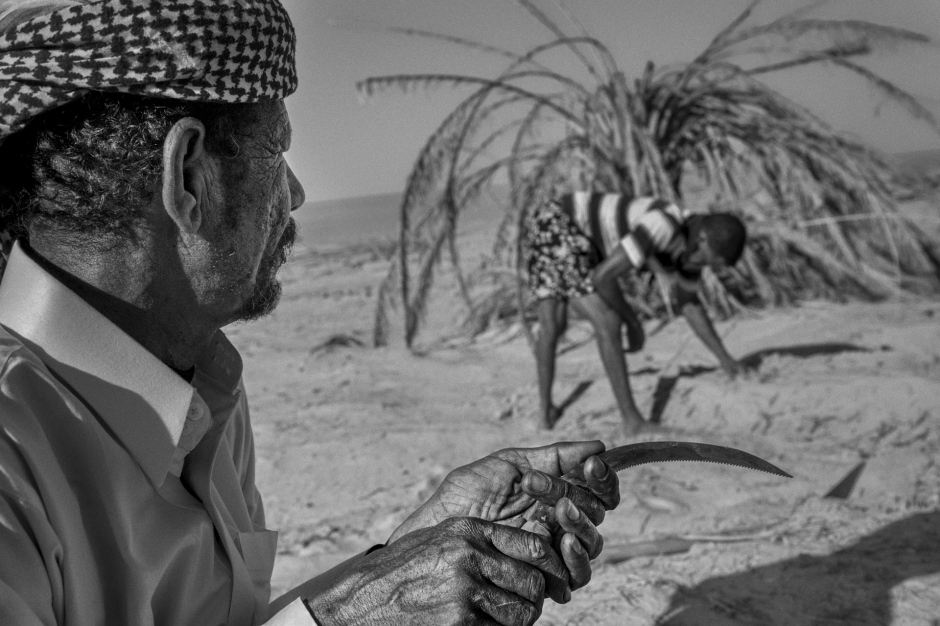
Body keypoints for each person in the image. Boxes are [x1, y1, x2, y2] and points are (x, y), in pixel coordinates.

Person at [0, 1, 622, 625]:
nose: (296, 193)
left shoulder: (200, 385)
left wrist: (405, 559)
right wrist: (348, 618)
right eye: (277, 152)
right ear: (189, 177)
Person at [523, 190, 748, 434]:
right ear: (703, 240)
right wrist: (633, 323)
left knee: (553, 323)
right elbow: (602, 277)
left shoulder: (689, 253)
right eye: (711, 260)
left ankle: (545, 414)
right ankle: (632, 421)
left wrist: (726, 360)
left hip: (551, 223)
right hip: (560, 220)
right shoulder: (663, 225)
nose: (708, 267)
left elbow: (689, 304)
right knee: (608, 321)